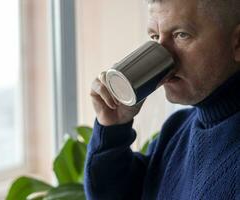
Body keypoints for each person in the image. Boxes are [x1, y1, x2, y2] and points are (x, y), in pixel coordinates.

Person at [84, 0, 240, 199]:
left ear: (237, 43)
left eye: (181, 35)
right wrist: (113, 127)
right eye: (155, 36)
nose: (163, 54)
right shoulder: (176, 131)